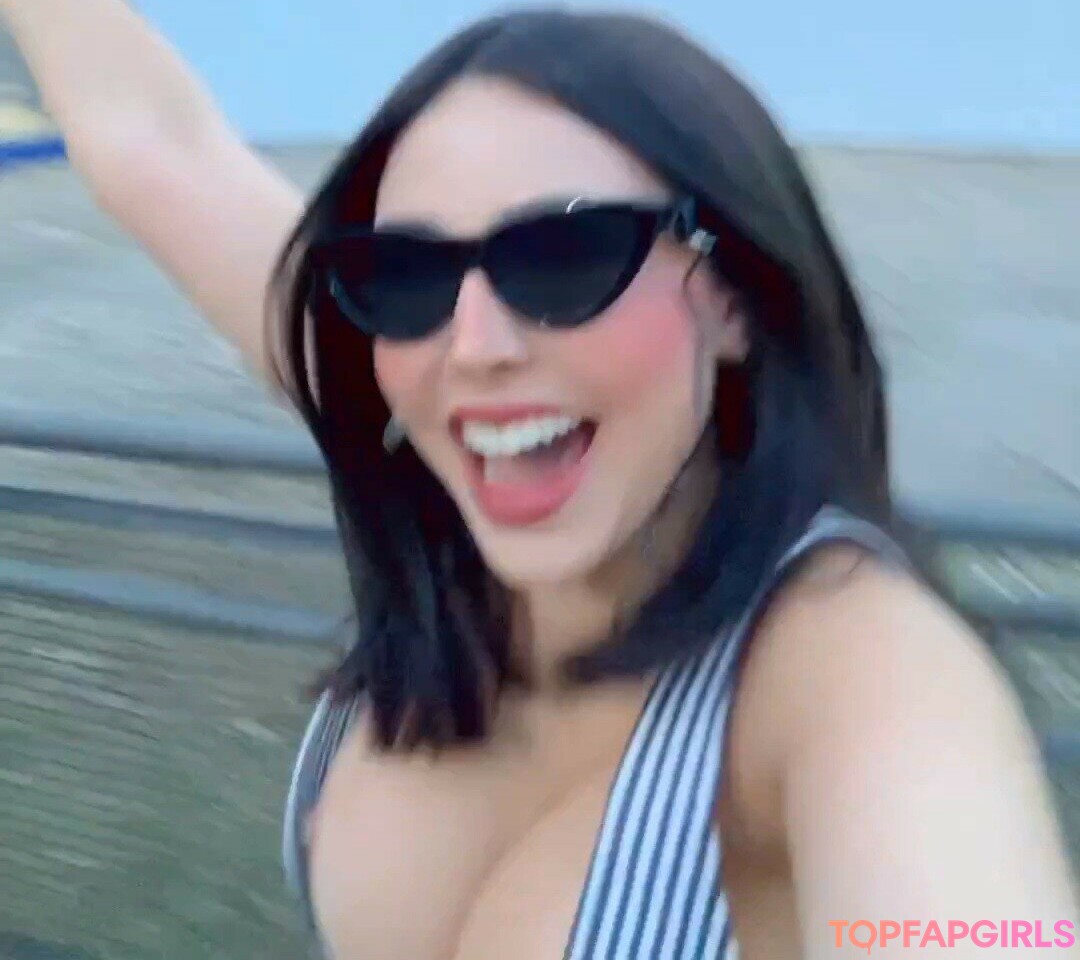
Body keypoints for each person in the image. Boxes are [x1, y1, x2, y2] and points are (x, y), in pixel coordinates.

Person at [3, 3, 1076, 957]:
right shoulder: (410, 433)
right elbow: (153, 142)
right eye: (406, 275)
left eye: (567, 260)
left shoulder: (859, 674)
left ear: (734, 297)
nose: (474, 347)